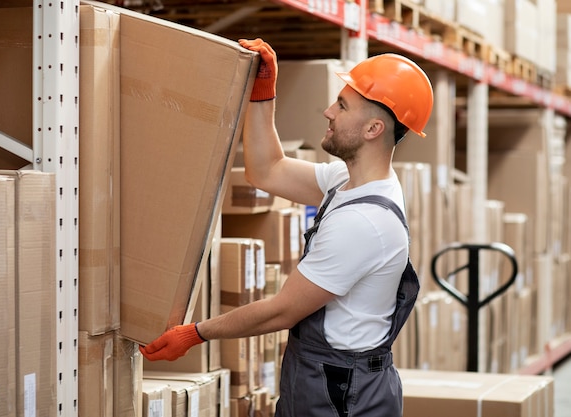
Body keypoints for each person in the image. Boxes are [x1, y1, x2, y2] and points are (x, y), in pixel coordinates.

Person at [140, 38, 434, 416]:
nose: (328, 111)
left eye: (342, 106)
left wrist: (196, 333)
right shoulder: (346, 181)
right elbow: (267, 170)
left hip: (344, 394)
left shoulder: (364, 222)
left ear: (373, 128)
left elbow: (282, 311)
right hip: (325, 377)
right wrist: (263, 93)